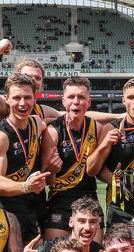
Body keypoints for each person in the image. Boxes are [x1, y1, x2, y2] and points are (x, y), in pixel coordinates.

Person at [0, 39, 119, 126]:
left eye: (38, 78)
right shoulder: (7, 105)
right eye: (27, 76)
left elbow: (76, 115)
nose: (33, 80)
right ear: (16, 77)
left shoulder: (41, 110)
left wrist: (118, 116)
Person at [0, 73, 50, 243]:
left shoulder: (36, 123)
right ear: (6, 99)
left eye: (27, 97)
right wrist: (26, 186)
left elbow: (55, 124)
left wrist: (53, 152)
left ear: (35, 98)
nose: (23, 104)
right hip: (4, 203)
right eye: (17, 98)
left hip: (31, 200)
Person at [87, 78, 134, 226]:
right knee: (118, 247)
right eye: (131, 97)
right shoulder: (110, 129)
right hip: (117, 202)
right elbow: (95, 170)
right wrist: (119, 183)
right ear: (123, 100)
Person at [41, 76, 102, 241]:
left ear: (89, 102)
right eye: (71, 97)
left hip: (89, 198)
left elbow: (96, 170)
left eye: (81, 97)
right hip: (60, 199)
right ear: (63, 101)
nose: (76, 101)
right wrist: (51, 171)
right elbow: (48, 181)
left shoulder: (97, 129)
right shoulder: (52, 131)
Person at [23, 196, 107, 252]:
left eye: (93, 222)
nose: (87, 227)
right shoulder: (48, 248)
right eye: (81, 221)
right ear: (71, 222)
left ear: (98, 224)